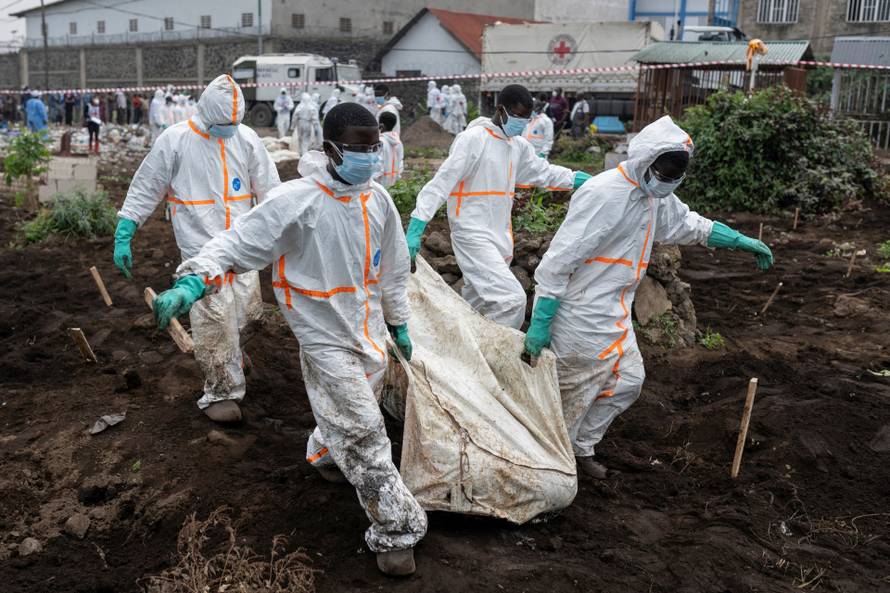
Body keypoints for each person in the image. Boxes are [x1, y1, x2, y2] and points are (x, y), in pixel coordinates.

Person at [149, 102, 427, 576]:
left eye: (373, 147)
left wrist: (398, 323)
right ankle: (396, 530)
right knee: (364, 429)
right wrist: (193, 282)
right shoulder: (296, 201)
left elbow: (394, 271)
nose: (368, 157)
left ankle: (323, 452)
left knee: (355, 406)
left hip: (368, 331)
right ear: (331, 149)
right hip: (321, 335)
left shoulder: (376, 200)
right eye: (358, 149)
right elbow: (236, 243)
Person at [523, 115, 774, 479]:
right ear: (645, 162)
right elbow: (557, 263)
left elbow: (689, 224)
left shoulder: (657, 197)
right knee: (571, 393)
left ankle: (580, 449)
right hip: (581, 313)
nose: (666, 185)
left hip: (617, 310)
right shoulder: (604, 194)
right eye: (663, 176)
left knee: (628, 381)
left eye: (674, 180)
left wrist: (741, 241)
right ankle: (548, 464)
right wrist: (541, 321)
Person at [112, 74, 280, 423]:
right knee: (215, 318)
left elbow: (270, 189)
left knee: (249, 314)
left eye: (234, 123)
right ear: (205, 112)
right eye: (223, 124)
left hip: (243, 244)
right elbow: (147, 185)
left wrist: (278, 234)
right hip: (200, 247)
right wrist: (126, 229)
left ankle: (235, 353)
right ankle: (221, 391)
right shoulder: (175, 140)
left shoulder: (246, 138)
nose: (228, 129)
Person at [406, 84, 591, 329]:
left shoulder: (517, 146)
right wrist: (416, 225)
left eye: (526, 118)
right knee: (510, 301)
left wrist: (578, 178)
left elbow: (542, 172)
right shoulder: (473, 140)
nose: (521, 124)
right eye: (517, 116)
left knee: (477, 303)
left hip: (500, 236)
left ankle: (467, 350)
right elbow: (441, 183)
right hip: (471, 233)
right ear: (500, 110)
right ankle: (498, 357)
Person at [375, 111, 403, 188]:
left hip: (380, 184)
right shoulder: (398, 142)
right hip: (393, 183)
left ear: (381, 125)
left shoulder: (380, 142)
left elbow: (378, 165)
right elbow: (400, 163)